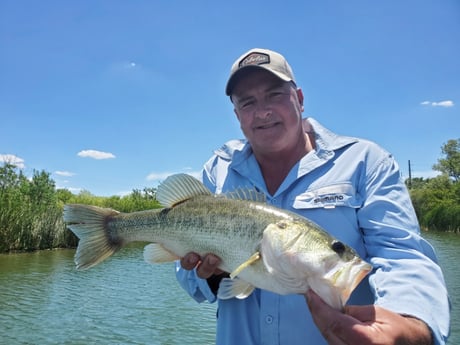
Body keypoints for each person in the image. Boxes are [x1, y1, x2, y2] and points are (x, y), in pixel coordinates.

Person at [175, 48, 450, 344]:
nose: (263, 111)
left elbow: (403, 256)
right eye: (248, 102)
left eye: (275, 95)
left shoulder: (365, 162)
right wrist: (214, 275)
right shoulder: (217, 169)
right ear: (237, 115)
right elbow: (188, 277)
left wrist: (411, 323)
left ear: (300, 99)